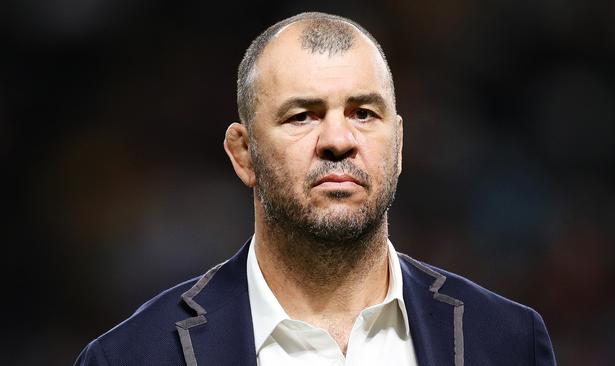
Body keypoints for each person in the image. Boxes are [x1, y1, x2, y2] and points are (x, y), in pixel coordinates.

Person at [74, 12, 556, 366]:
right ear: (243, 154)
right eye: (302, 116)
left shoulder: (510, 342)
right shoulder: (130, 358)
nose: (339, 140)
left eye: (363, 113)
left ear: (400, 143)